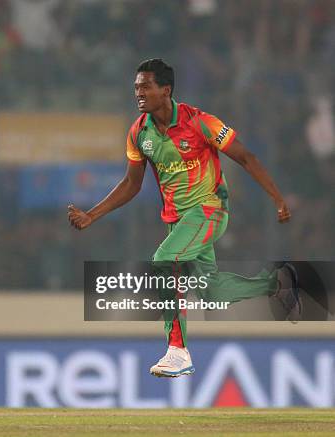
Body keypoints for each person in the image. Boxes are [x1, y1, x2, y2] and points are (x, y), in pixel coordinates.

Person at [68, 58, 301, 378]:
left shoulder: (201, 122)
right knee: (212, 292)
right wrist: (92, 216)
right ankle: (277, 283)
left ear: (166, 90)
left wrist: (277, 198)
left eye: (146, 86)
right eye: (136, 87)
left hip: (209, 210)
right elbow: (131, 184)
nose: (138, 92)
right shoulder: (138, 133)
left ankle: (177, 351)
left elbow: (246, 157)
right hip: (179, 222)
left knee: (165, 258)